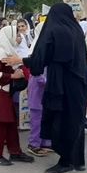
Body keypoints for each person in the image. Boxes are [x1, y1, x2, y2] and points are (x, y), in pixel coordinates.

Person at [4, 3, 87, 173]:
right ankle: (77, 160)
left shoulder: (55, 30)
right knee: (75, 120)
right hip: (79, 83)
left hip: (62, 85)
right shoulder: (76, 29)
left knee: (61, 121)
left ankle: (66, 163)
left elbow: (41, 57)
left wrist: (21, 60)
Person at [0, 26, 35, 166]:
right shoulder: (0, 51)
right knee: (0, 123)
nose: (19, 37)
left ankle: (15, 152)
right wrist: (13, 75)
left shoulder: (6, 50)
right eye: (16, 34)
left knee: (11, 122)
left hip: (5, 92)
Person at [25, 21, 53, 157]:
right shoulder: (36, 49)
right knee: (37, 121)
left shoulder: (45, 47)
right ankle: (34, 144)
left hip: (44, 93)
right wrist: (51, 83)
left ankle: (45, 142)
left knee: (45, 118)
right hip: (38, 92)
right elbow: (37, 74)